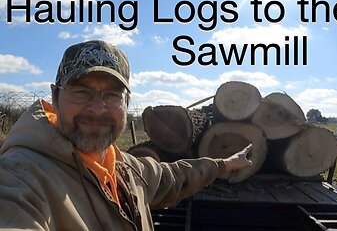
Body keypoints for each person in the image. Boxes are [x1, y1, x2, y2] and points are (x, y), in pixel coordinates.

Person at [0, 40, 253, 230]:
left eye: (112, 94)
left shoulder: (123, 167)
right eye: (80, 92)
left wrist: (223, 165)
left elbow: (172, 177)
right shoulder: (20, 177)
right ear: (55, 97)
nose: (97, 108)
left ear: (127, 102)